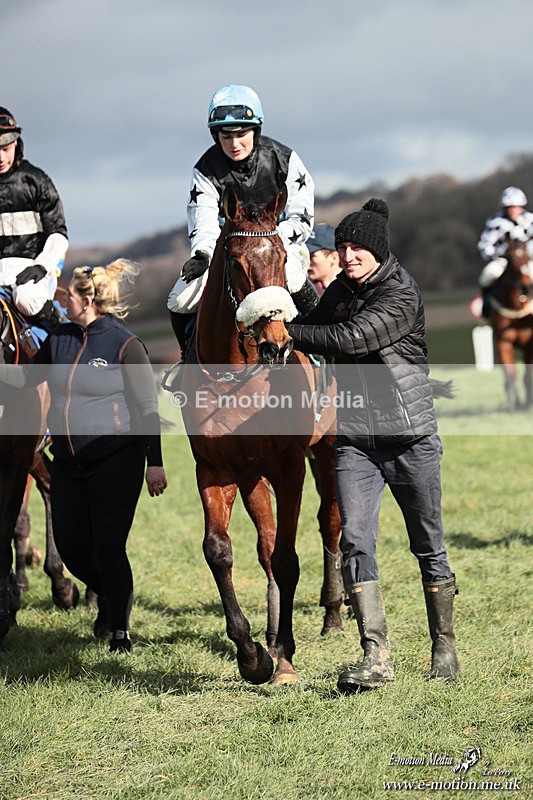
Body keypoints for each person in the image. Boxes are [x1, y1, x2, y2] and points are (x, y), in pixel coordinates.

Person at [286, 198, 460, 692]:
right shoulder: (341, 288)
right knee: (354, 540)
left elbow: (352, 337)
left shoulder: (401, 294)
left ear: (379, 250)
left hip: (410, 439)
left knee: (427, 546)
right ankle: (374, 656)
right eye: (341, 247)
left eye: (358, 246)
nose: (348, 255)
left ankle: (443, 645)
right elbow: (314, 324)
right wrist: (277, 311)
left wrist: (293, 331)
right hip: (356, 440)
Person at [0, 259, 167, 653]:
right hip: (69, 464)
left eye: (69, 295)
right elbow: (27, 378)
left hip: (117, 459)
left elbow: (147, 408)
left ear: (87, 299)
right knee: (73, 549)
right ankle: (113, 590)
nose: (63, 300)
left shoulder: (124, 344)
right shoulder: (59, 338)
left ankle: (119, 629)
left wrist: (154, 462)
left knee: (108, 545)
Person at [167, 84, 318, 355]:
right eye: (226, 136)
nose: (234, 144)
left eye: (241, 134)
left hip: (279, 246)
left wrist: (267, 245)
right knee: (179, 300)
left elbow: (301, 216)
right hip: (228, 251)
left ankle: (320, 355)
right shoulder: (205, 169)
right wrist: (202, 253)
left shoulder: (285, 159)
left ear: (255, 131)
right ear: (216, 136)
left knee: (294, 280)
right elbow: (203, 219)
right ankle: (188, 357)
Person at [0, 107, 68, 326]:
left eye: (6, 149)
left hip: (32, 271)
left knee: (26, 298)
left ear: (16, 145)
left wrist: (42, 266)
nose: (1, 157)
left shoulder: (37, 181)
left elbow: (58, 234)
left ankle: (64, 333)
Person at [477, 186, 533, 313]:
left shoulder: (530, 220)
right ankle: (486, 307)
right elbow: (484, 245)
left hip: (527, 261)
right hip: (503, 261)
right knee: (486, 277)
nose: (513, 210)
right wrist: (497, 254)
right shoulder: (495, 223)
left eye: (516, 206)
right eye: (509, 207)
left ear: (522, 206)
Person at [306, 223, 342, 296]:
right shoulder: (306, 291)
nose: (307, 262)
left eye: (312, 256)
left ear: (333, 258)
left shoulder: (352, 290)